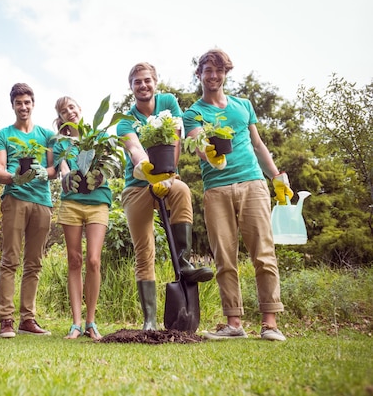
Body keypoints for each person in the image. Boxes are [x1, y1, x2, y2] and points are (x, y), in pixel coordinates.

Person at [183, 48, 291, 341]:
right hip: (216, 189)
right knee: (225, 258)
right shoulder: (193, 113)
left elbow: (258, 144)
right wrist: (211, 154)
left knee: (264, 254)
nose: (213, 76)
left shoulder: (243, 105)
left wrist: (276, 175)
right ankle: (234, 323)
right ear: (199, 74)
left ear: (225, 74)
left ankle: (270, 324)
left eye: (219, 70)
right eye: (208, 70)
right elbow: (197, 147)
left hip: (253, 183)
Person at [117, 62, 214, 331]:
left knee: (182, 190)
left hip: (169, 179)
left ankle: (183, 262)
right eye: (137, 82)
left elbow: (175, 137)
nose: (143, 85)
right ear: (131, 87)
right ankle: (149, 319)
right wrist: (149, 171)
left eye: (147, 80)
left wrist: (169, 176)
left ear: (155, 82)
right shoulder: (124, 120)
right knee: (144, 250)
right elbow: (134, 147)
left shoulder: (168, 101)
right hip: (136, 184)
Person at [0, 83, 56, 338]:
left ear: (33, 103)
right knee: (10, 260)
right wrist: (14, 177)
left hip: (42, 202)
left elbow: (53, 170)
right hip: (15, 199)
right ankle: (6, 319)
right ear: (13, 106)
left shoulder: (47, 135)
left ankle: (27, 319)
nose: (23, 107)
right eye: (19, 103)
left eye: (27, 102)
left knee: (34, 263)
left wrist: (43, 173)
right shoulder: (3, 135)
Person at [53, 96, 109, 341]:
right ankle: (76, 323)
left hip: (98, 203)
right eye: (64, 111)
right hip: (72, 204)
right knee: (74, 260)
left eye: (72, 107)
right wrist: (68, 176)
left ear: (80, 109)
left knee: (94, 260)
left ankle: (91, 322)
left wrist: (100, 176)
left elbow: (108, 167)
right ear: (61, 117)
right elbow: (63, 168)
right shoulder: (60, 143)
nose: (70, 112)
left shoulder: (98, 137)